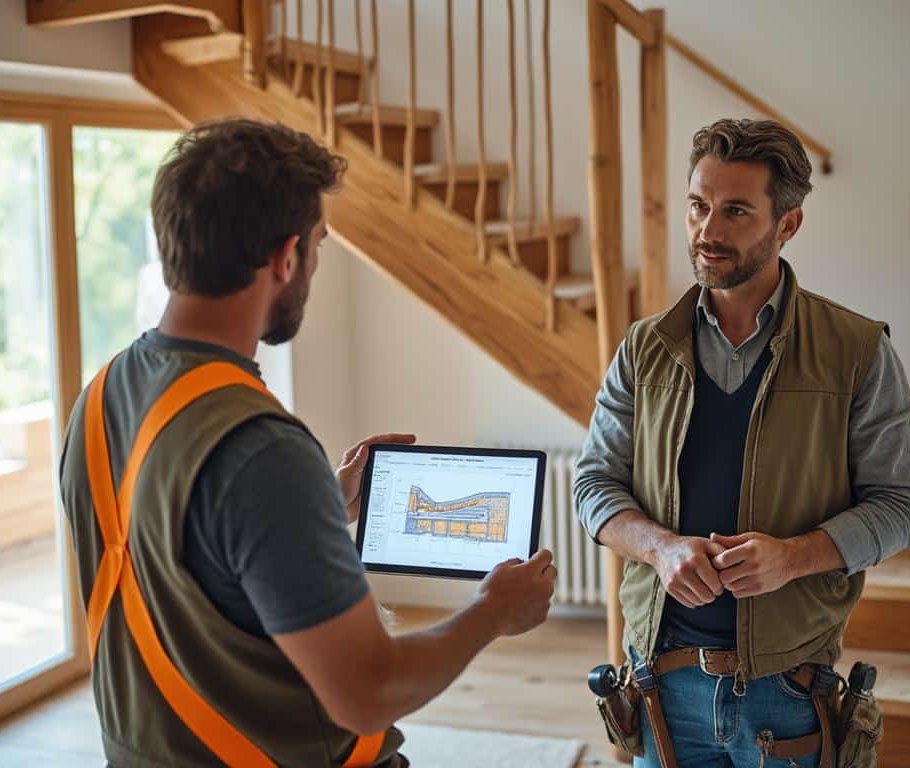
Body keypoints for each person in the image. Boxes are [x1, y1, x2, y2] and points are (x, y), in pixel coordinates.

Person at [59, 118, 557, 768]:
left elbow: (185, 561)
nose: (317, 264)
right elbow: (368, 694)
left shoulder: (100, 396)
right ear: (284, 257)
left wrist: (318, 502)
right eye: (321, 243)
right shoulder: (263, 452)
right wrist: (492, 610)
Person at [573, 118, 910, 768]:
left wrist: (795, 556)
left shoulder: (856, 351)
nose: (709, 230)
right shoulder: (643, 347)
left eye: (735, 211)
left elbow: (903, 508)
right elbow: (593, 484)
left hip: (790, 690)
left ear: (787, 224)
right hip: (661, 684)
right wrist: (659, 548)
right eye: (698, 207)